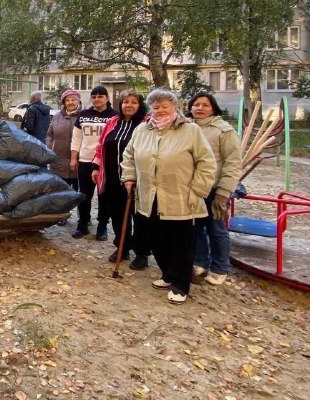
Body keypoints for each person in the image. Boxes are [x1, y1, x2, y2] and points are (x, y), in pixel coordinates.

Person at [121, 89, 216, 304]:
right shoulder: (142, 129)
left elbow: (207, 162)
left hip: (180, 196)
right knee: (156, 239)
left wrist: (197, 190)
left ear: (175, 108)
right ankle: (167, 274)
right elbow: (129, 155)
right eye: (156, 107)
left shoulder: (190, 130)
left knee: (180, 242)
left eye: (165, 106)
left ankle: (181, 284)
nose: (160, 110)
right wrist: (129, 177)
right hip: (149, 195)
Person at [91, 90, 149, 267]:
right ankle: (122, 247)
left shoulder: (147, 124)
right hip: (113, 178)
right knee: (117, 214)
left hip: (138, 180)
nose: (129, 105)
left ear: (140, 105)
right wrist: (95, 167)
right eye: (125, 102)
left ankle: (142, 253)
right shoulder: (112, 122)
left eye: (134, 102)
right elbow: (101, 145)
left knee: (139, 217)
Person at [189, 92, 242, 286]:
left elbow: (233, 163)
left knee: (216, 229)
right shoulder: (187, 127)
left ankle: (220, 267)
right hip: (193, 188)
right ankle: (200, 261)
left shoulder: (223, 130)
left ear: (213, 108)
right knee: (196, 228)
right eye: (196, 104)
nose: (200, 108)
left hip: (215, 188)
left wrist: (224, 192)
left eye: (205, 105)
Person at [70, 85, 116, 240]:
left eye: (100, 96)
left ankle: (102, 226)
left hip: (106, 163)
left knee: (104, 196)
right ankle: (82, 224)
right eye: (94, 96)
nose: (97, 99)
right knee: (84, 195)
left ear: (107, 98)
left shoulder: (114, 116)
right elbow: (76, 139)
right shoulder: (83, 115)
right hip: (85, 160)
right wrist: (73, 158)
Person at [45, 89, 82, 225]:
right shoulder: (57, 116)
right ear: (64, 102)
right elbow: (49, 134)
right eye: (67, 100)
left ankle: (83, 217)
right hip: (58, 160)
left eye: (73, 99)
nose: (70, 102)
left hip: (78, 161)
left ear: (78, 101)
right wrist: (49, 146)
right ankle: (62, 215)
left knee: (79, 191)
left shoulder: (84, 116)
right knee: (61, 190)